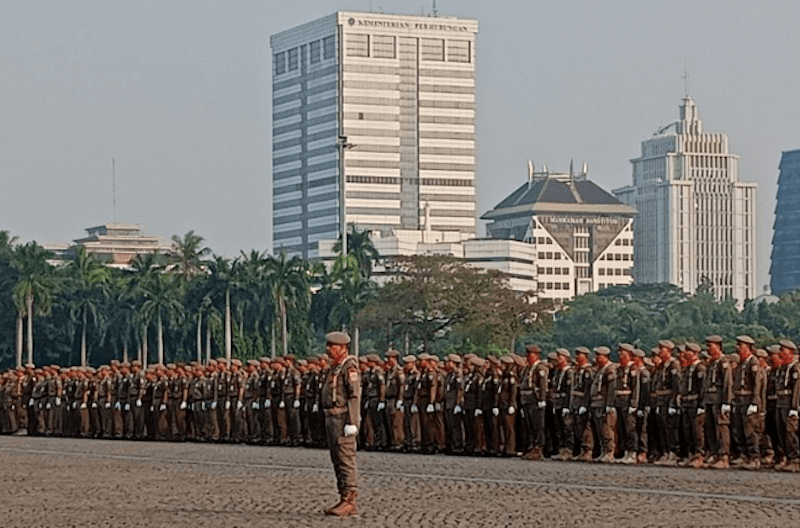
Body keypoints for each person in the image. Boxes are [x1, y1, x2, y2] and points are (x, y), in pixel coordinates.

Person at [321, 332, 361, 518]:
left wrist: (352, 421)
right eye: (328, 345)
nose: (328, 349)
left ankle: (350, 500)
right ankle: (343, 496)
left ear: (343, 348)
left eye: (333, 346)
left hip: (343, 417)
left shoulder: (349, 367)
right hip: (332, 417)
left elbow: (354, 396)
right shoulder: (334, 368)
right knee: (337, 459)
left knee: (345, 459)